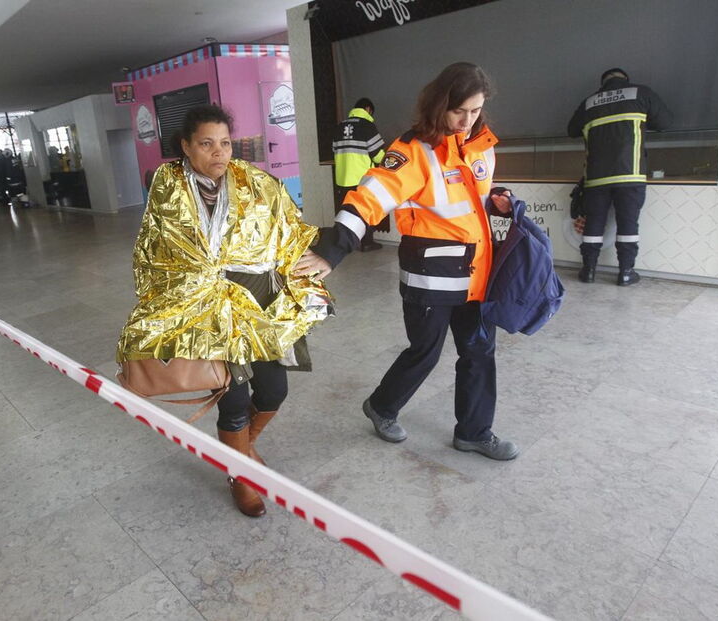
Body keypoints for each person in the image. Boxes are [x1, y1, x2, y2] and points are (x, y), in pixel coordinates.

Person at [117, 105, 333, 517]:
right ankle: (240, 476)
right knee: (233, 399)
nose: (219, 152)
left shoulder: (256, 182)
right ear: (186, 146)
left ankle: (243, 450)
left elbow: (286, 229)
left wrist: (307, 268)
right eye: (207, 144)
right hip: (207, 308)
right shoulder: (168, 186)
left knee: (274, 391)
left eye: (225, 143)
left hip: (258, 303)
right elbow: (154, 251)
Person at [298, 62, 519, 461]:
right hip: (431, 276)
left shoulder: (481, 145)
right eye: (459, 111)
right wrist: (334, 248)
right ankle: (381, 406)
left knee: (479, 353)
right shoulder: (413, 151)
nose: (467, 121)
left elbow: (472, 202)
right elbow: (368, 198)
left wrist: (497, 202)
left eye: (475, 111)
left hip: (476, 274)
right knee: (425, 352)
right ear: (439, 104)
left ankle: (474, 432)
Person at [567, 68, 672, 286]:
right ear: (625, 80)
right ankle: (625, 273)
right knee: (628, 225)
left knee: (593, 224)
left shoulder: (589, 102)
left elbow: (572, 130)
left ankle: (588, 271)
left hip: (596, 178)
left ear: (602, 84)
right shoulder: (641, 93)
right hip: (630, 175)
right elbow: (665, 122)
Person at [332, 97, 387, 251]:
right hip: (362, 178)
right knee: (365, 210)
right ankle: (366, 242)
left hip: (342, 178)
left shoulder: (339, 126)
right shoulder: (367, 126)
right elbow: (378, 155)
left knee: (347, 212)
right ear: (368, 109)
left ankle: (347, 243)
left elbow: (334, 150)